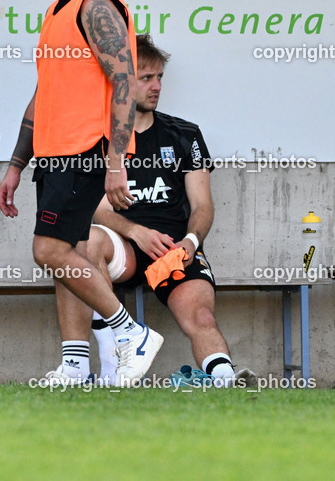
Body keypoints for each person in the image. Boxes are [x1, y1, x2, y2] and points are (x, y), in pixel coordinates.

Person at [0, 0, 163, 386]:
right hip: (53, 155)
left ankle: (129, 332)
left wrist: (115, 162)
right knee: (67, 253)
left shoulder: (96, 3)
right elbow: (42, 94)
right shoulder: (56, 12)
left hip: (86, 152)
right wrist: (15, 164)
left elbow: (126, 81)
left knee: (48, 250)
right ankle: (75, 363)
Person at [43, 34, 253, 386]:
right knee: (78, 243)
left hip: (171, 250)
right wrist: (135, 231)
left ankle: (225, 379)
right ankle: (102, 366)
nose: (156, 87)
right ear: (121, 83)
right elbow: (93, 209)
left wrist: (190, 242)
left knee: (200, 315)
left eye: (159, 78)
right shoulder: (95, 138)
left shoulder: (184, 134)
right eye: (146, 78)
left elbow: (203, 205)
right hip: (123, 246)